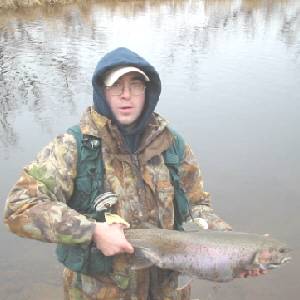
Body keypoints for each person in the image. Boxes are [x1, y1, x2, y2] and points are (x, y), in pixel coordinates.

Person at [4, 47, 260, 300]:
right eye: (116, 86)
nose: (126, 95)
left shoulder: (173, 145)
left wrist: (231, 246)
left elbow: (197, 206)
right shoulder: (71, 148)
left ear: (148, 92)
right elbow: (19, 207)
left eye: (135, 85)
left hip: (168, 292)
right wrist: (92, 231)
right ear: (103, 92)